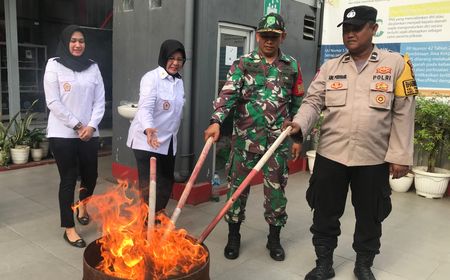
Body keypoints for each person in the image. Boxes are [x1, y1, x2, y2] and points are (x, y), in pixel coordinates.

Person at [284, 5, 417, 280]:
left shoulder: (396, 64)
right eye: (346, 29)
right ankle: (324, 263)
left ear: (374, 29)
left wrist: (400, 155)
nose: (350, 34)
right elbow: (312, 101)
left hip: (373, 158)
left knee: (370, 216)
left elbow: (405, 111)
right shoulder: (331, 67)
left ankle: (363, 264)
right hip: (331, 155)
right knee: (324, 212)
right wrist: (299, 124)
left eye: (356, 28)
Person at [204, 13, 304, 261]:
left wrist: (298, 137)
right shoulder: (243, 63)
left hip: (276, 144)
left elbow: (298, 104)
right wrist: (216, 121)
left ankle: (274, 239)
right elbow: (227, 95)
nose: (269, 41)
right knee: (237, 191)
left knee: (276, 193)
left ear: (283, 37)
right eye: (265, 36)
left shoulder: (291, 66)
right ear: (258, 36)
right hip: (244, 142)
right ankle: (234, 236)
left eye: (275, 37)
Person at [44, 25, 105, 248]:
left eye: (81, 40)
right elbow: (53, 102)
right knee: (68, 180)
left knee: (91, 176)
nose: (77, 45)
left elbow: (100, 100)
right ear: (65, 42)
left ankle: (83, 205)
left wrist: (91, 126)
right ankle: (69, 229)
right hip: (62, 134)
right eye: (73, 41)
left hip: (90, 132)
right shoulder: (54, 65)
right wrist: (78, 125)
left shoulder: (93, 67)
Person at [127, 39, 186, 214]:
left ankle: (157, 214)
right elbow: (145, 108)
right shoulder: (151, 78)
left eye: (180, 59)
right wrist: (149, 129)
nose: (175, 63)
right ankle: (147, 224)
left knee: (167, 181)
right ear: (163, 57)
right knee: (149, 185)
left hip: (167, 141)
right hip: (146, 140)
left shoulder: (179, 82)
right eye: (171, 58)